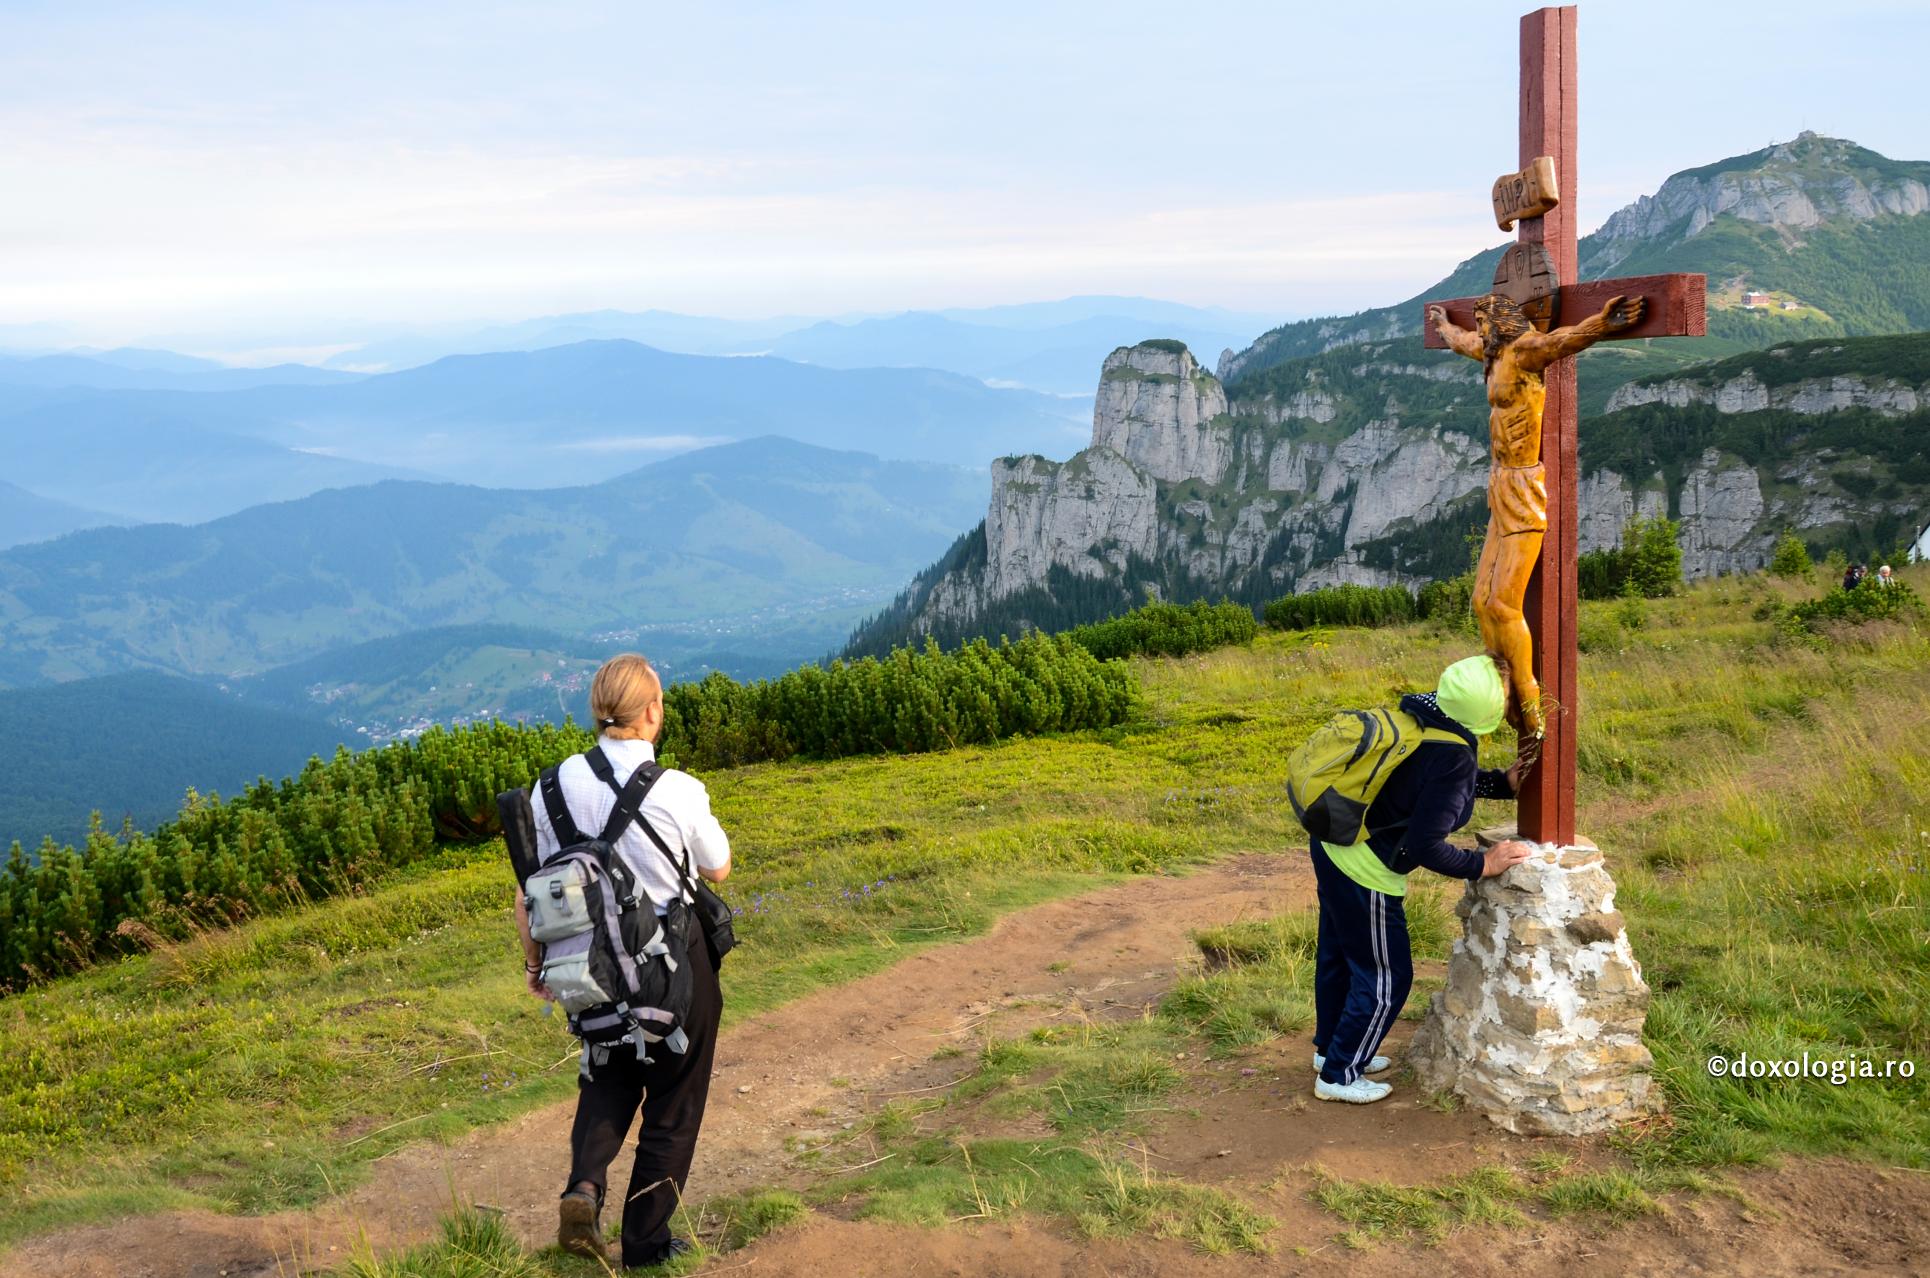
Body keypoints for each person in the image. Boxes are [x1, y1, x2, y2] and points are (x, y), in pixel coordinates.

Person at [514, 653, 732, 1268]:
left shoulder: (550, 785)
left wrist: (535, 962)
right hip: (673, 962)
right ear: (653, 712)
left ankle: (584, 1186)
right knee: (674, 1099)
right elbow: (716, 866)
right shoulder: (678, 789)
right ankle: (645, 1245)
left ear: (599, 711)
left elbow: (531, 887)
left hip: (586, 961)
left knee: (607, 1071)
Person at [1311, 653, 1533, 1105]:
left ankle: (1331, 1050)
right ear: (1488, 711)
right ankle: (1338, 1075)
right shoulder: (1454, 754)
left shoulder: (1423, 716)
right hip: (1365, 871)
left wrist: (1499, 784)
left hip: (1333, 844)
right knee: (1386, 976)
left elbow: (1419, 784)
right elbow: (1424, 846)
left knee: (1341, 956)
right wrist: (1483, 865)